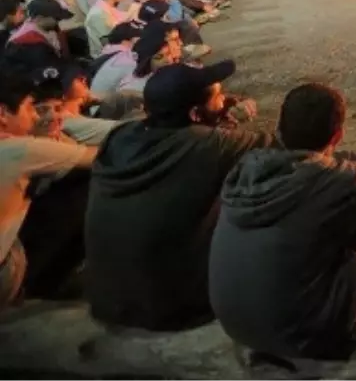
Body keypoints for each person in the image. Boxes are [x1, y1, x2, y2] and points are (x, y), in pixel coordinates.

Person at [209, 83, 356, 360]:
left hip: (236, 326)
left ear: (279, 129)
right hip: (304, 337)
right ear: (338, 134)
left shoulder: (247, 168)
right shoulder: (335, 181)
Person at [85, 60, 273, 330]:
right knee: (262, 188)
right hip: (176, 309)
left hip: (109, 303)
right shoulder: (207, 144)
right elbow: (287, 145)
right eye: (218, 97)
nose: (223, 100)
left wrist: (218, 111)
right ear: (195, 114)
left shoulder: (120, 135)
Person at [0, 64, 98, 308]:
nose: (34, 116)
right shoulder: (18, 150)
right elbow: (98, 156)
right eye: (29, 108)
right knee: (85, 183)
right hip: (6, 272)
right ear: (3, 113)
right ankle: (42, 283)